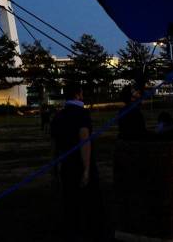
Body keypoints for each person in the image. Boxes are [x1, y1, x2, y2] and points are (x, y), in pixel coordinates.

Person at [50, 84, 105, 240]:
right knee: (90, 202)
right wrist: (87, 169)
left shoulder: (58, 116)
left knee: (70, 202)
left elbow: (53, 144)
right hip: (80, 164)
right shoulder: (81, 113)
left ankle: (72, 231)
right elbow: (84, 139)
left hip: (65, 165)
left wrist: (53, 166)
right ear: (78, 94)